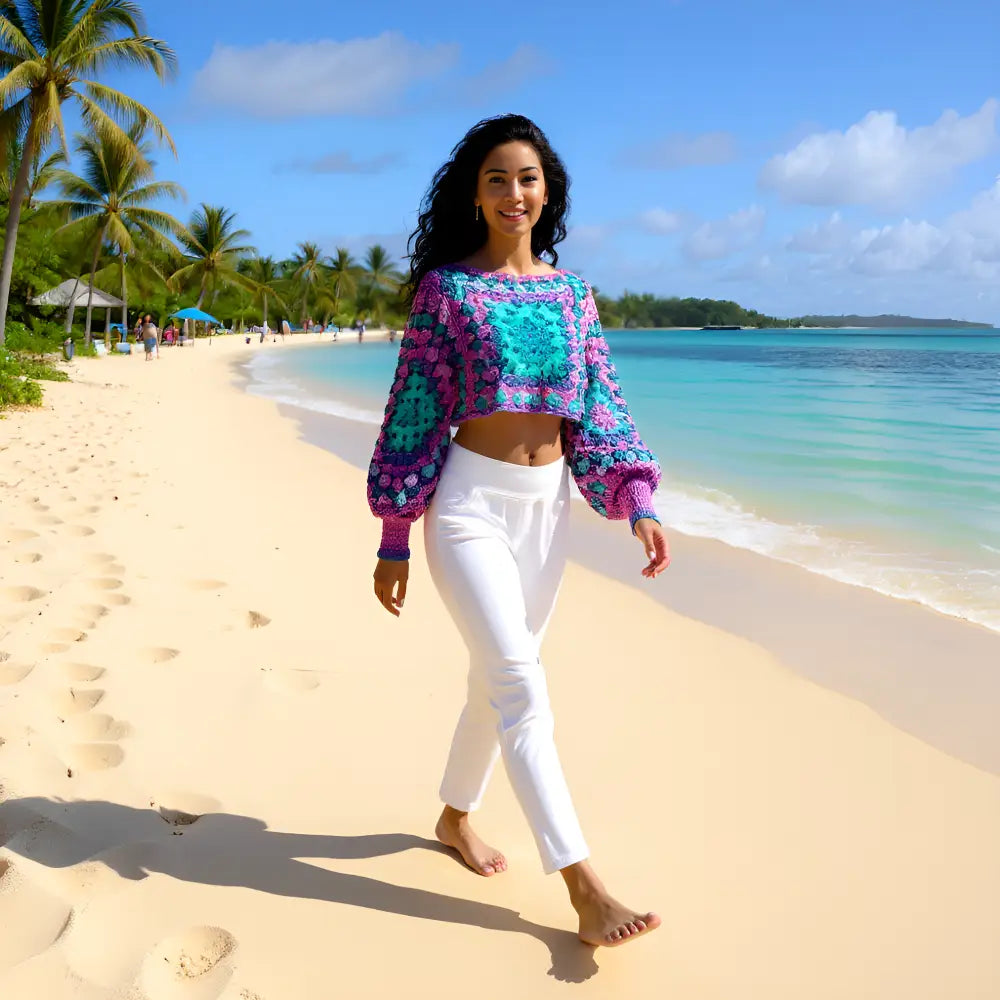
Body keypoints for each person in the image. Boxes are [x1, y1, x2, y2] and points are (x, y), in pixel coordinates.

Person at [367, 114, 670, 949]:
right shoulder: (447, 292)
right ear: (475, 192)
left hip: (547, 514)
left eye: (528, 178)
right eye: (497, 178)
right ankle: (584, 885)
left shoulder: (573, 295)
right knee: (520, 685)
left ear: (549, 191)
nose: (514, 193)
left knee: (491, 684)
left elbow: (598, 407)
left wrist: (636, 499)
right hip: (467, 505)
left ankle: (454, 818)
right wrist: (395, 536)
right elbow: (414, 410)